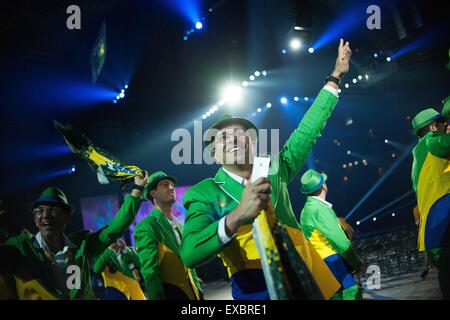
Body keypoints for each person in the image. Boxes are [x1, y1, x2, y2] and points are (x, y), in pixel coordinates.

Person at [180, 39, 352, 300]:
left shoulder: (273, 167)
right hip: (259, 291)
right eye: (223, 139)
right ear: (214, 154)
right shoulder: (205, 193)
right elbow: (190, 252)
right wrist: (236, 217)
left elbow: (307, 131)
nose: (234, 139)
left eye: (240, 133)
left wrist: (335, 78)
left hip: (311, 278)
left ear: (253, 141)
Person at [0, 172, 148, 299]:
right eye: (39, 211)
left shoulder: (82, 245)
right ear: (34, 219)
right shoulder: (21, 247)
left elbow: (115, 228)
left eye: (53, 210)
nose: (45, 215)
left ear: (67, 217)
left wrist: (137, 190)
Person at [134, 171, 203, 300]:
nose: (172, 188)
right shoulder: (147, 226)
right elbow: (150, 273)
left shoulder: (181, 226)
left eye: (172, 185)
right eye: (165, 185)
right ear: (153, 193)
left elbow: (188, 266)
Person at [299, 169, 362, 300]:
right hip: (333, 262)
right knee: (352, 293)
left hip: (321, 264)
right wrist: (356, 262)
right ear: (323, 186)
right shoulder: (319, 208)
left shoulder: (307, 209)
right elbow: (342, 243)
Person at [411, 108, 450, 299]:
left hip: (432, 230)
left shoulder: (418, 156)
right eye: (444, 123)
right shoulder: (432, 141)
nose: (447, 126)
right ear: (433, 127)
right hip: (444, 223)